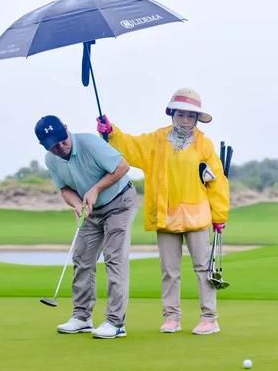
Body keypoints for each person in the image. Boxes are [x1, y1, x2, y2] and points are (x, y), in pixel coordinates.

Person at [96, 88, 229, 335]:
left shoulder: (205, 145)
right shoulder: (156, 140)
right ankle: (171, 318)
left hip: (197, 215)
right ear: (172, 114)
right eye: (181, 114)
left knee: (203, 269)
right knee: (170, 270)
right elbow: (131, 146)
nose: (186, 120)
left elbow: (217, 182)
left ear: (197, 119)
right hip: (165, 214)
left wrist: (219, 216)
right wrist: (112, 131)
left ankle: (209, 318)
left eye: (191, 116)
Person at [35, 115, 138, 339]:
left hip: (119, 202)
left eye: (62, 140)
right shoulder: (51, 160)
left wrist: (95, 189)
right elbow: (64, 189)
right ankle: (82, 317)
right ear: (44, 146)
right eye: (53, 146)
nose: (61, 147)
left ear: (66, 128)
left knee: (114, 258)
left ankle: (115, 322)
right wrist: (77, 203)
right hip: (91, 210)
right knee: (82, 259)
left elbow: (122, 166)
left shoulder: (90, 143)